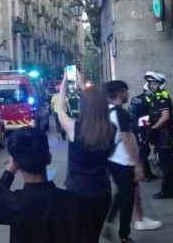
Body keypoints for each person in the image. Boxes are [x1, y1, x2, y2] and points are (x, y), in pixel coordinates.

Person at [0, 127, 87, 243]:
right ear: (49, 158)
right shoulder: (72, 202)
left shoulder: (14, 204)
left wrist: (9, 172)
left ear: (16, 163)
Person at [56, 69, 116, 242]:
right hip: (102, 192)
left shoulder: (74, 128)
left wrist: (65, 82)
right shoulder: (111, 130)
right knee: (93, 236)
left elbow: (60, 109)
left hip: (78, 193)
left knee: (79, 236)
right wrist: (84, 86)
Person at [102, 81, 162, 242]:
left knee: (123, 193)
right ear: (120, 93)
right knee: (127, 199)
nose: (127, 94)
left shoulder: (106, 111)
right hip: (123, 161)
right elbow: (126, 138)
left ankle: (108, 222)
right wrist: (137, 165)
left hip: (112, 160)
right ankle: (124, 235)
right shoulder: (120, 113)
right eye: (125, 91)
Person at [144, 72, 173, 199]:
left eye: (154, 83)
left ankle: (168, 191)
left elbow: (165, 117)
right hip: (162, 134)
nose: (152, 85)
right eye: (150, 83)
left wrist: (154, 128)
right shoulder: (156, 97)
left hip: (164, 135)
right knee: (168, 162)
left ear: (160, 84)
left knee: (165, 163)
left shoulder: (161, 97)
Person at [129, 87, 157, 180]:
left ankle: (147, 173)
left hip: (139, 126)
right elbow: (138, 115)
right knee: (143, 150)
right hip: (140, 127)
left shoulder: (137, 99)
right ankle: (145, 174)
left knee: (144, 149)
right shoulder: (144, 99)